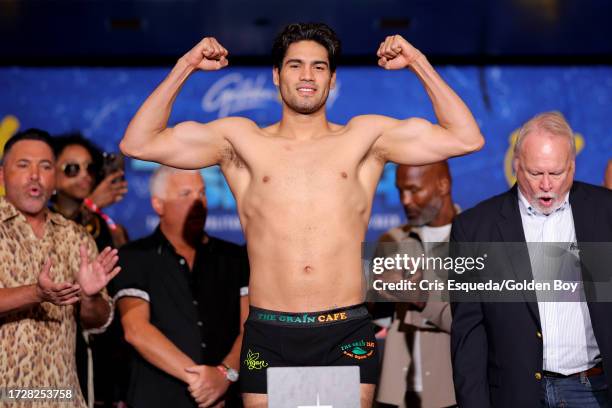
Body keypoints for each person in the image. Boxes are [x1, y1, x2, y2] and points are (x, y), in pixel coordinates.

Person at [119, 22, 484, 407]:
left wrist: (418, 62)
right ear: (277, 76)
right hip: (270, 330)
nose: (307, 75)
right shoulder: (241, 141)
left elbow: (466, 137)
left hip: (343, 328)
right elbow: (137, 141)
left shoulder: (364, 138)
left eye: (319, 66)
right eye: (295, 65)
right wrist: (185, 66)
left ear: (332, 78)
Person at [450, 111, 612, 407]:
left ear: (573, 167)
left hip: (593, 390)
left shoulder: (606, 212)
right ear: (516, 165)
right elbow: (469, 335)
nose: (546, 185)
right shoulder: (475, 229)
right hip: (515, 393)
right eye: (536, 173)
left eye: (557, 173)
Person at [109, 166, 249, 408]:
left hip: (226, 398)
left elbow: (251, 326)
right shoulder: (134, 257)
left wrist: (224, 375)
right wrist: (203, 380)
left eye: (202, 193)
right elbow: (136, 330)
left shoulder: (234, 258)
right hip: (158, 398)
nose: (198, 202)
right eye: (185, 194)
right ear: (158, 204)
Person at [0, 129, 120, 408]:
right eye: (23, 165)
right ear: (2, 176)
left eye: (45, 166)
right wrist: (35, 293)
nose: (35, 175)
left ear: (53, 179)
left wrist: (90, 298)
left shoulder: (76, 236)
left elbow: (98, 322)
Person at [52, 133, 131, 407]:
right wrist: (91, 206)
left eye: (90, 168)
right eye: (72, 168)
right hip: (63, 347)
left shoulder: (108, 227)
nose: (84, 175)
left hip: (109, 347)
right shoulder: (43, 222)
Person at [376, 162, 457, 408]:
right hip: (397, 394)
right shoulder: (392, 240)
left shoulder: (477, 238)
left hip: (453, 393)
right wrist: (375, 292)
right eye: (400, 190)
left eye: (413, 190)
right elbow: (374, 319)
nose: (405, 200)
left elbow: (479, 322)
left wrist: (421, 297)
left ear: (443, 184)